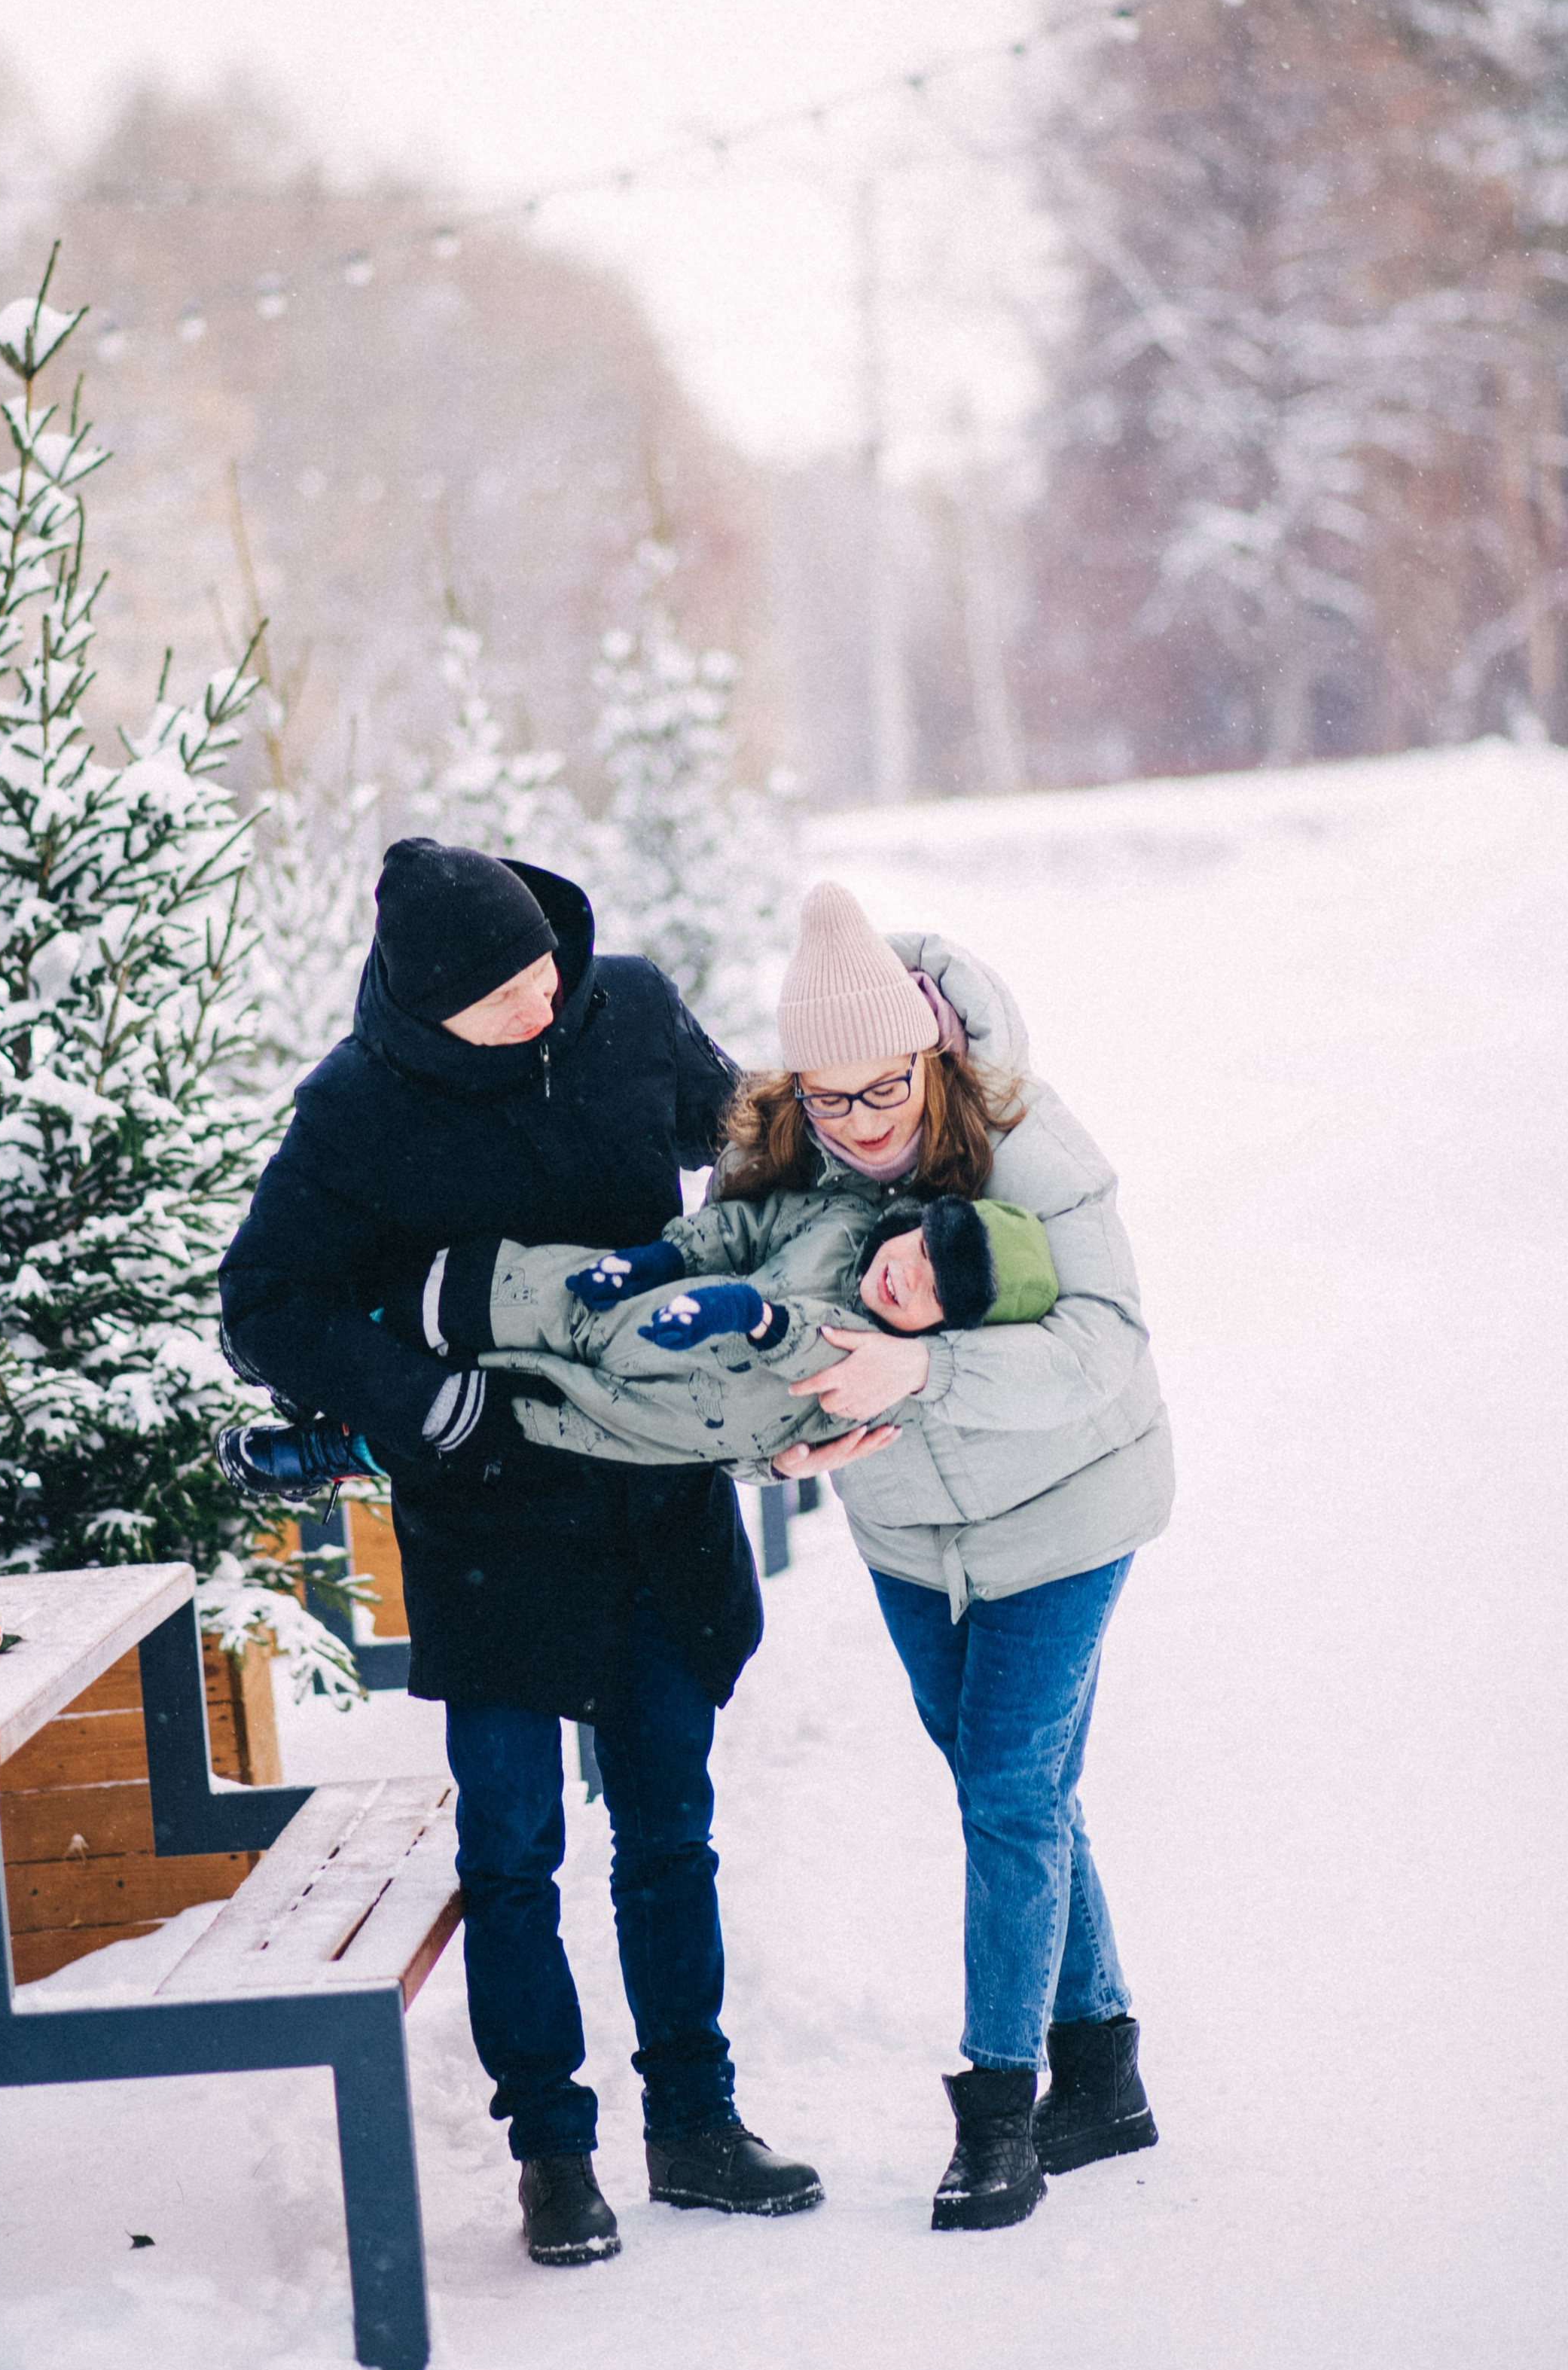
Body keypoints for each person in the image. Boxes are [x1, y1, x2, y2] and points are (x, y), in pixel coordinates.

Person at [217, 837, 824, 2268]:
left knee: (670, 1833)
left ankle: (695, 2122)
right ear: (432, 1013)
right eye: (506, 1004)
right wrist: (414, 1399)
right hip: (490, 1518)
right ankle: (554, 2155)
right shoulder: (358, 1113)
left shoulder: (623, 1012)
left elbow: (759, 1159)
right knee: (513, 1855)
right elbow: (262, 1303)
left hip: (655, 1504)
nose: (544, 1010)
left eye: (547, 975)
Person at [703, 877, 1175, 2234]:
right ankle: (1104, 2071)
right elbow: (758, 1360)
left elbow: (1106, 1345)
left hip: (1068, 1511)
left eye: (884, 1091)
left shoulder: (1023, 1137)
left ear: (931, 1056)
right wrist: (776, 1453)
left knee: (1009, 1794)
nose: (860, 1125)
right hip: (914, 1541)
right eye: (829, 1099)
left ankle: (1001, 2113)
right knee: (1004, 1781)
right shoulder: (789, 1169)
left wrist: (923, 1369)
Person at [226, 1191, 1059, 1478]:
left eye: (931, 1295)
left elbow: (810, 1349)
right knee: (498, 1293)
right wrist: (660, 1255)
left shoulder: (881, 1370)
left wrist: (755, 1318)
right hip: (639, 1313)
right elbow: (747, 1225)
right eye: (920, 1253)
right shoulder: (845, 1223)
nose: (906, 1278)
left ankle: (332, 1449)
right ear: (914, 1224)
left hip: (638, 1415)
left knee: (482, 1411)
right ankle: (313, 1352)